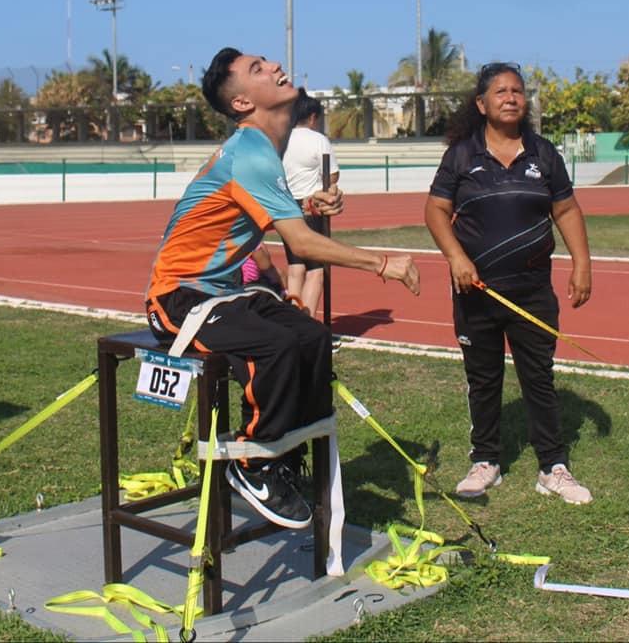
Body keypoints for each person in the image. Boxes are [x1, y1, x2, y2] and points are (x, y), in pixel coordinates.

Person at [145, 47, 420, 530]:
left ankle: (288, 457)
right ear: (242, 104)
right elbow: (299, 242)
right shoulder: (249, 151)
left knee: (311, 337)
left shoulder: (262, 150)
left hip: (225, 294)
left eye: (267, 61)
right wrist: (383, 263)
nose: (273, 67)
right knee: (274, 345)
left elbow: (265, 211)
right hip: (177, 298)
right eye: (257, 69)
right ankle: (252, 466)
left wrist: (306, 200)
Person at [424, 62, 594, 505]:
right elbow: (435, 211)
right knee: (483, 379)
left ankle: (553, 467)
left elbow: (567, 211)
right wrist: (456, 257)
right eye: (500, 91)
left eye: (517, 91)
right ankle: (485, 461)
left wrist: (582, 264)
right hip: (474, 290)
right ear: (481, 104)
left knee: (538, 376)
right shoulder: (462, 155)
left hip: (532, 291)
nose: (511, 98)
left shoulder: (543, 154)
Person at [282, 88, 340, 317]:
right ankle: (309, 322)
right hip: (312, 207)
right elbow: (331, 176)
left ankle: (294, 319)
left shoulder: (283, 140)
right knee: (316, 269)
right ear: (313, 117)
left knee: (295, 267)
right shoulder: (318, 140)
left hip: (287, 208)